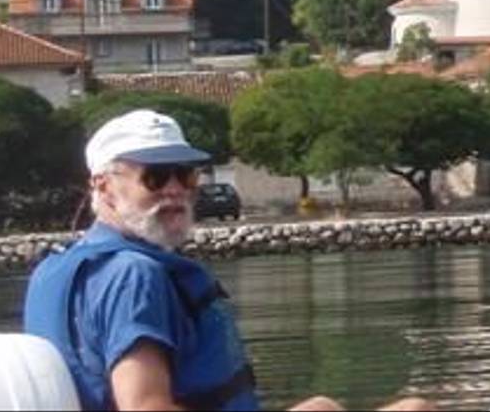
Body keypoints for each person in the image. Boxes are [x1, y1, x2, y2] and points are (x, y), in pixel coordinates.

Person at [23, 110, 431, 412]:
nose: (175, 191)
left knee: (323, 407)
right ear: (104, 185)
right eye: (155, 177)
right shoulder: (133, 275)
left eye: (186, 176)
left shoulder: (54, 270)